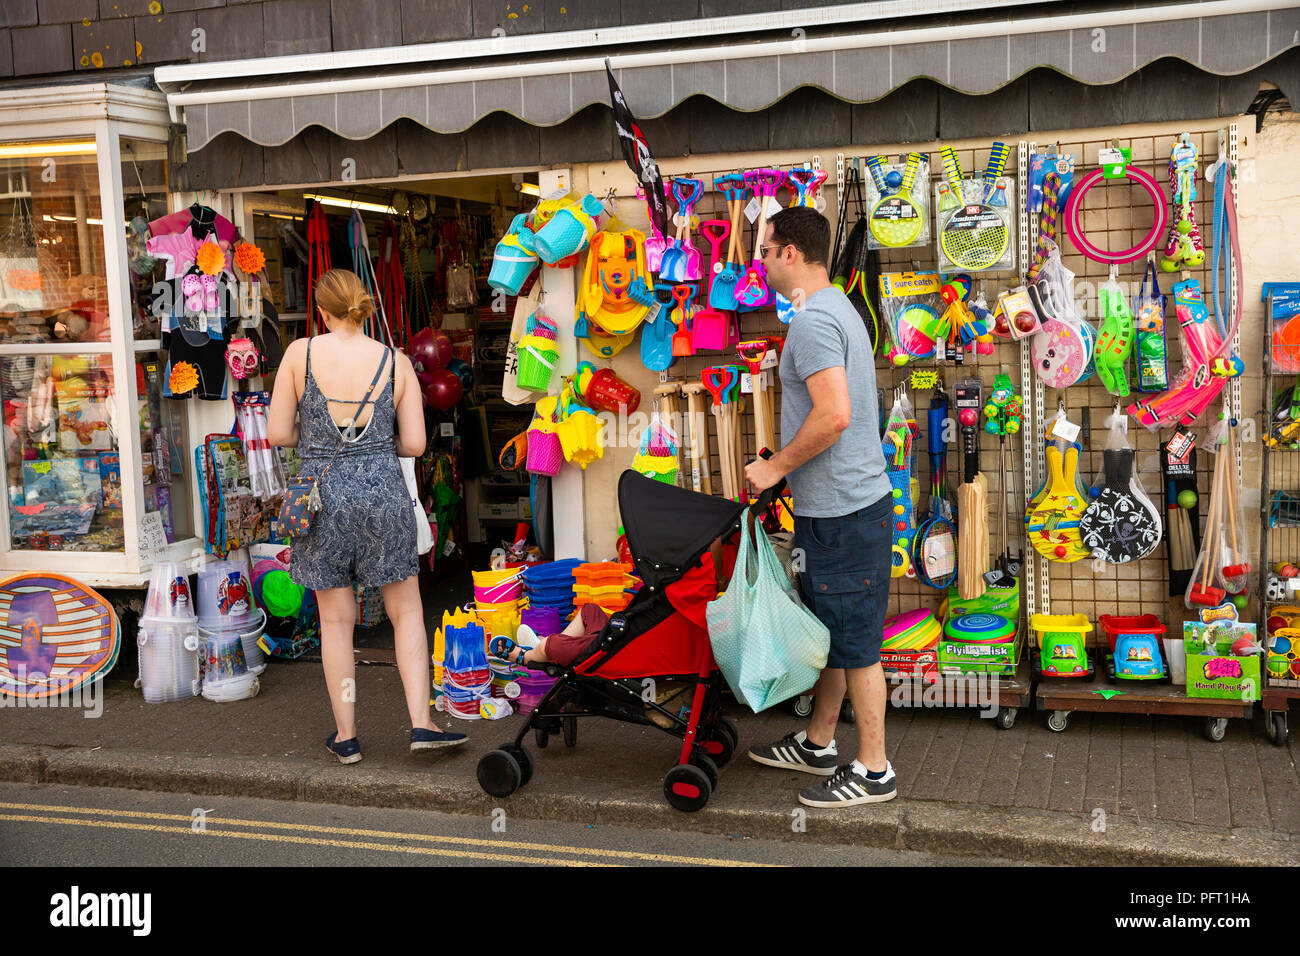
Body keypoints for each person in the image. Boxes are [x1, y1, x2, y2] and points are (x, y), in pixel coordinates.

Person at [269, 268, 466, 764]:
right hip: (383, 493)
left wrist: (316, 442)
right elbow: (417, 444)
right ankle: (421, 724)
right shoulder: (396, 361)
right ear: (363, 309)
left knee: (336, 621)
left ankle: (348, 736)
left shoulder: (300, 355)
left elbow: (277, 433)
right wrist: (377, 447)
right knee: (406, 613)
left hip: (322, 494)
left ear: (322, 311)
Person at [742, 207, 896, 808]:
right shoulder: (839, 311)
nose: (758, 260)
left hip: (844, 514)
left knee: (856, 644)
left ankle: (875, 769)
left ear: (788, 253)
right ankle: (818, 742)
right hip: (840, 509)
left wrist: (776, 467)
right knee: (835, 634)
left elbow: (834, 415)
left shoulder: (811, 322)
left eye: (763, 249)